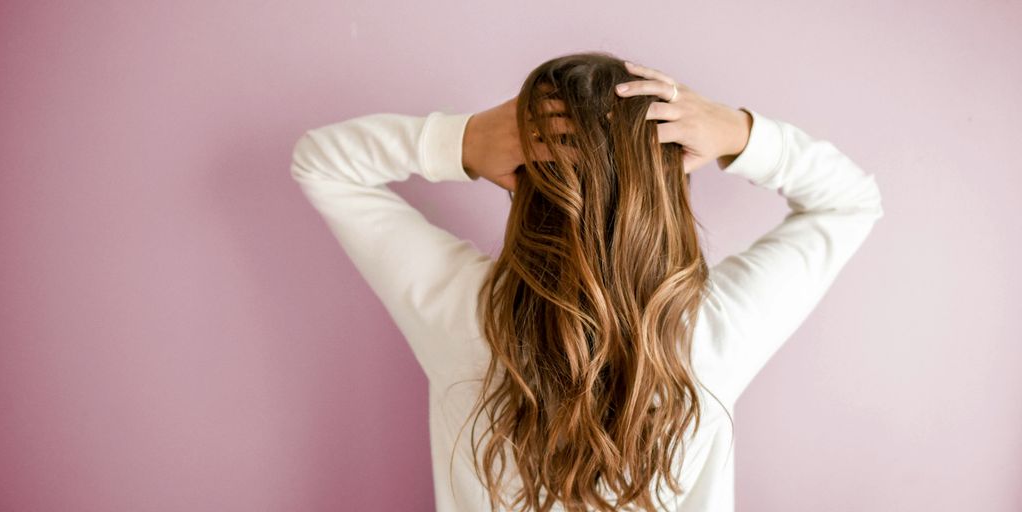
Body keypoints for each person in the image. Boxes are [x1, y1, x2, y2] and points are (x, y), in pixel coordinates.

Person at [289, 52, 884, 512]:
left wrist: (463, 140)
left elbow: (321, 162)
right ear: (666, 187)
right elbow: (850, 202)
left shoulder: (466, 315)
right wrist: (737, 132)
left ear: (520, 177)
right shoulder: (711, 333)